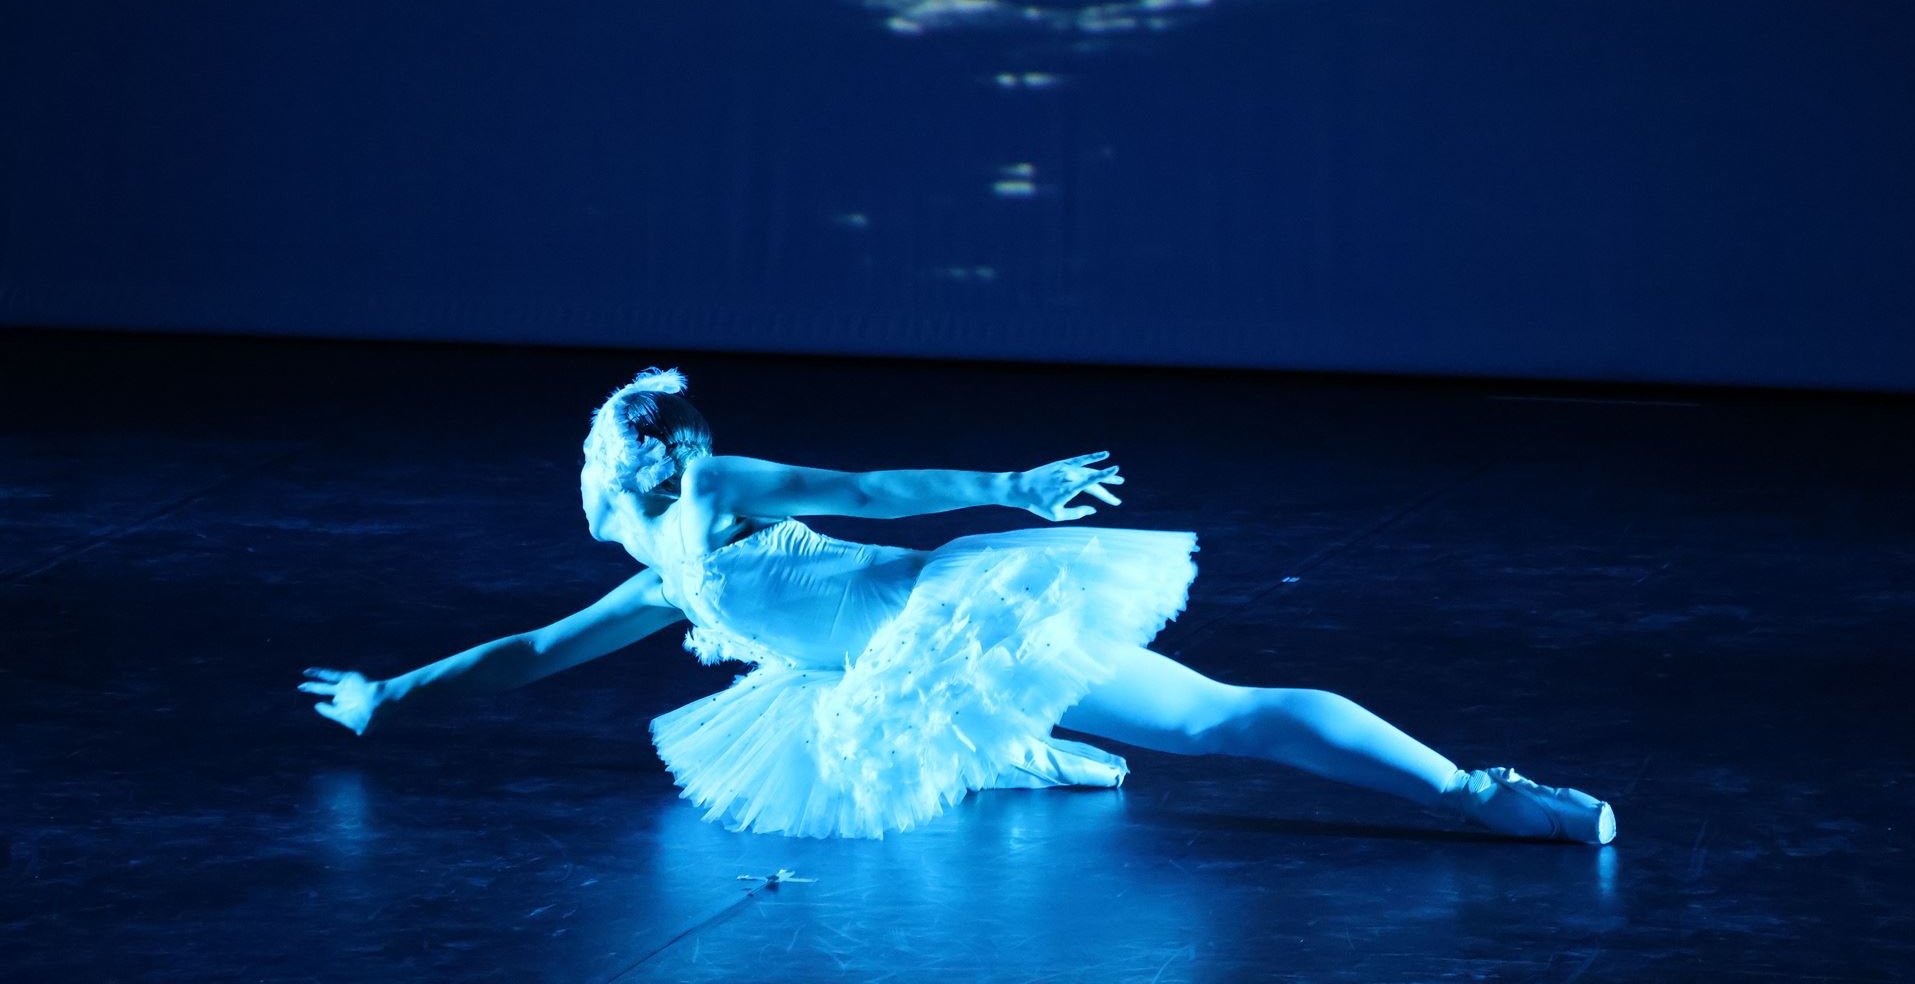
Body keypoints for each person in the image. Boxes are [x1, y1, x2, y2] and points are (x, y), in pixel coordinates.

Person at [302, 367, 1615, 845]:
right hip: (898, 666)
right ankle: (1022, 747)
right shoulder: (663, 582)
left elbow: (867, 489)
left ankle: (1473, 794)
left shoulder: (711, 492)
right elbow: (533, 650)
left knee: (1223, 721)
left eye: (599, 453)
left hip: (962, 622)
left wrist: (1012, 486)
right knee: (865, 725)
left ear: (638, 467)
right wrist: (388, 692)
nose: (585, 470)